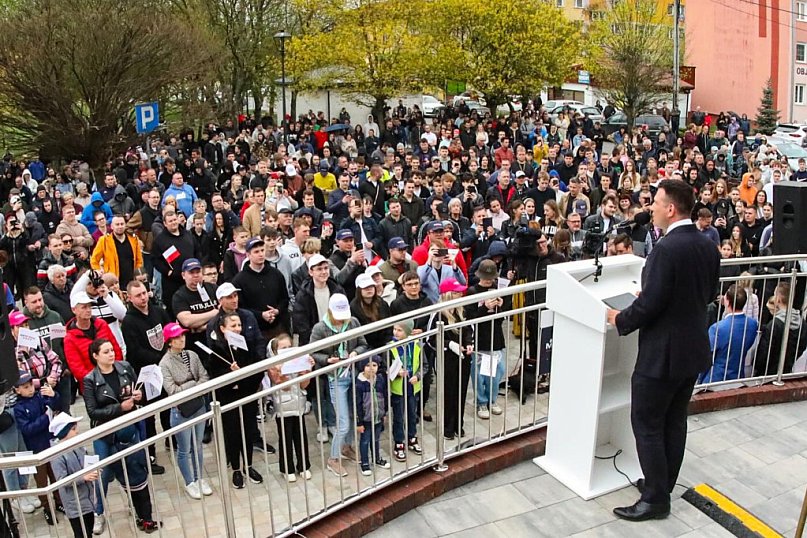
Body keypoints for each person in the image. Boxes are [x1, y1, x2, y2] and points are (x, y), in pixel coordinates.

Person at [606, 179, 720, 521]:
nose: (651, 208)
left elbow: (652, 304)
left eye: (655, 202)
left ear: (671, 209)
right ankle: (663, 483)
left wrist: (620, 318)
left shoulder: (666, 249)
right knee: (674, 420)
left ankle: (655, 499)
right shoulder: (706, 245)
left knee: (647, 422)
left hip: (663, 354)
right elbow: (707, 292)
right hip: (692, 348)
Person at [83, 338, 159, 534]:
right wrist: (119, 408)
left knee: (135, 470)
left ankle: (142, 515)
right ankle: (98, 514)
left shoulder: (125, 367)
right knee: (103, 474)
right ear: (95, 356)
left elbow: (138, 390)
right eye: (106, 351)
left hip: (128, 430)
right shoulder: (90, 379)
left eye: (112, 350)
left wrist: (139, 396)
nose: (111, 353)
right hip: (105, 433)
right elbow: (92, 412)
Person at [310, 294, 368, 477]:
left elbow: (363, 343)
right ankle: (333, 459)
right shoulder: (320, 328)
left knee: (351, 415)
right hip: (335, 378)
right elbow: (312, 352)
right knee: (342, 422)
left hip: (352, 373)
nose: (342, 319)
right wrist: (328, 360)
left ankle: (346, 447)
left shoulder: (353, 323)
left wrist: (354, 353)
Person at [207, 312, 264, 488]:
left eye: (239, 326)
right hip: (229, 400)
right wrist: (230, 376)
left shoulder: (248, 346)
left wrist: (242, 379)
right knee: (232, 433)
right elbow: (215, 376)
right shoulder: (217, 350)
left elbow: (257, 371)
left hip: (247, 397)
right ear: (223, 329)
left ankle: (248, 465)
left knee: (247, 431)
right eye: (233, 326)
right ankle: (236, 469)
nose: (237, 329)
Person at [122, 280, 171, 470]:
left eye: (144, 293)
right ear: (130, 298)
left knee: (167, 407)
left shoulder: (158, 311)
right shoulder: (129, 321)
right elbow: (135, 351)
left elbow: (168, 332)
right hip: (145, 374)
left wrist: (167, 356)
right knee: (148, 416)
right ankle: (150, 454)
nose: (143, 298)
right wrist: (160, 358)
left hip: (163, 369)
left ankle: (170, 438)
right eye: (138, 295)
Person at [159, 322, 212, 500]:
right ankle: (189, 481)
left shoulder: (192, 355)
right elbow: (172, 391)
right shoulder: (164, 364)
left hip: (198, 405)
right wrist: (193, 385)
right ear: (169, 342)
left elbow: (204, 376)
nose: (181, 339)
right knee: (184, 449)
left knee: (197, 445)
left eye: (182, 335)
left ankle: (199, 478)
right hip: (181, 411)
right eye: (176, 337)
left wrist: (187, 386)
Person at [13, 371, 61, 525]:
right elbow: (27, 429)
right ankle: (47, 508)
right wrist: (45, 418)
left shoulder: (39, 397)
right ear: (17, 390)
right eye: (25, 387)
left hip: (50, 444)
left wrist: (53, 396)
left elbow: (54, 406)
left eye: (31, 385)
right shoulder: (19, 408)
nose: (30, 389)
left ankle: (60, 502)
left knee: (56, 476)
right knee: (41, 482)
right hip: (35, 450)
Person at [465, 262, 509, 418]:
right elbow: (469, 318)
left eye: (491, 278)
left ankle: (492, 400)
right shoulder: (472, 291)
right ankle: (481, 402)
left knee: (497, 372)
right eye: (486, 278)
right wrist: (484, 308)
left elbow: (501, 319)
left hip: (495, 337)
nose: (489, 281)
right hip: (479, 338)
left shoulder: (498, 289)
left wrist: (500, 306)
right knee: (479, 374)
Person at [267, 334, 313, 482]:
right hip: (283, 405)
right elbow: (284, 387)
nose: (287, 350)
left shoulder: (298, 361)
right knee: (285, 437)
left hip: (298, 403)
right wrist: (283, 372)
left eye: (289, 347)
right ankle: (287, 468)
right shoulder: (273, 366)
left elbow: (304, 385)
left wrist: (306, 371)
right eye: (283, 348)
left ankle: (304, 465)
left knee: (301, 435)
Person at [64, 292, 123, 394]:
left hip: (115, 377)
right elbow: (77, 369)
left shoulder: (102, 324)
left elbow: (116, 349)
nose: (88, 310)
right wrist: (99, 380)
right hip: (92, 387)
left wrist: (116, 372)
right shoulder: (69, 338)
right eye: (84, 307)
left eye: (89, 306)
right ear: (74, 310)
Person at [232, 237, 291, 339]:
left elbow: (285, 298)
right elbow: (240, 307)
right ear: (248, 255)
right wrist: (261, 315)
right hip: (255, 330)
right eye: (256, 252)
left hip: (279, 327)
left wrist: (277, 310)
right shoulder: (239, 280)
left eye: (262, 250)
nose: (260, 254)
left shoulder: (276, 274)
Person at [50, 414, 97, 538]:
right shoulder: (57, 455)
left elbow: (84, 460)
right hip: (74, 504)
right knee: (81, 534)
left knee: (89, 530)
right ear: (64, 432)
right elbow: (62, 480)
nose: (77, 431)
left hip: (87, 499)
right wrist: (83, 478)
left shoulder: (76, 444)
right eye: (73, 429)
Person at [699, 285, 758, 384]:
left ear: (728, 301)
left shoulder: (717, 328)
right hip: (738, 376)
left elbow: (706, 356)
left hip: (716, 378)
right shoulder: (752, 324)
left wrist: (701, 380)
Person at [753, 281, 807, 377]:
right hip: (786, 370)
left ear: (778, 299)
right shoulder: (801, 322)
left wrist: (757, 367)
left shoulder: (774, 325)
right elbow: (802, 345)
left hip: (767, 373)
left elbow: (763, 354)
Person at [388, 318, 423, 462]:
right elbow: (386, 368)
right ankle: (399, 442)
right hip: (398, 389)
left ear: (407, 331)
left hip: (412, 387)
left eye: (399, 330)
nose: (396, 332)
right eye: (394, 329)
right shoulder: (390, 347)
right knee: (398, 417)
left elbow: (424, 365)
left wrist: (418, 376)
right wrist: (396, 373)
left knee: (412, 414)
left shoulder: (416, 345)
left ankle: (412, 438)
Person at [354, 355, 390, 475]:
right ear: (362, 368)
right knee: (365, 441)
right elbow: (356, 405)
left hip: (378, 417)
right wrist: (358, 422)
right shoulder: (359, 384)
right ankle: (365, 463)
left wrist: (384, 412)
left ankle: (377, 458)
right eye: (367, 365)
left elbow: (384, 396)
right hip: (366, 419)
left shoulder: (380, 379)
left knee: (376, 439)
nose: (371, 368)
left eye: (374, 365)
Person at [90, 215, 143, 288]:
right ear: (112, 226)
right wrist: (99, 272)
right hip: (113, 284)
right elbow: (94, 260)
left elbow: (139, 260)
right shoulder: (104, 240)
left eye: (122, 224)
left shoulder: (133, 239)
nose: (120, 227)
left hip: (131, 282)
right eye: (117, 224)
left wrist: (138, 276)